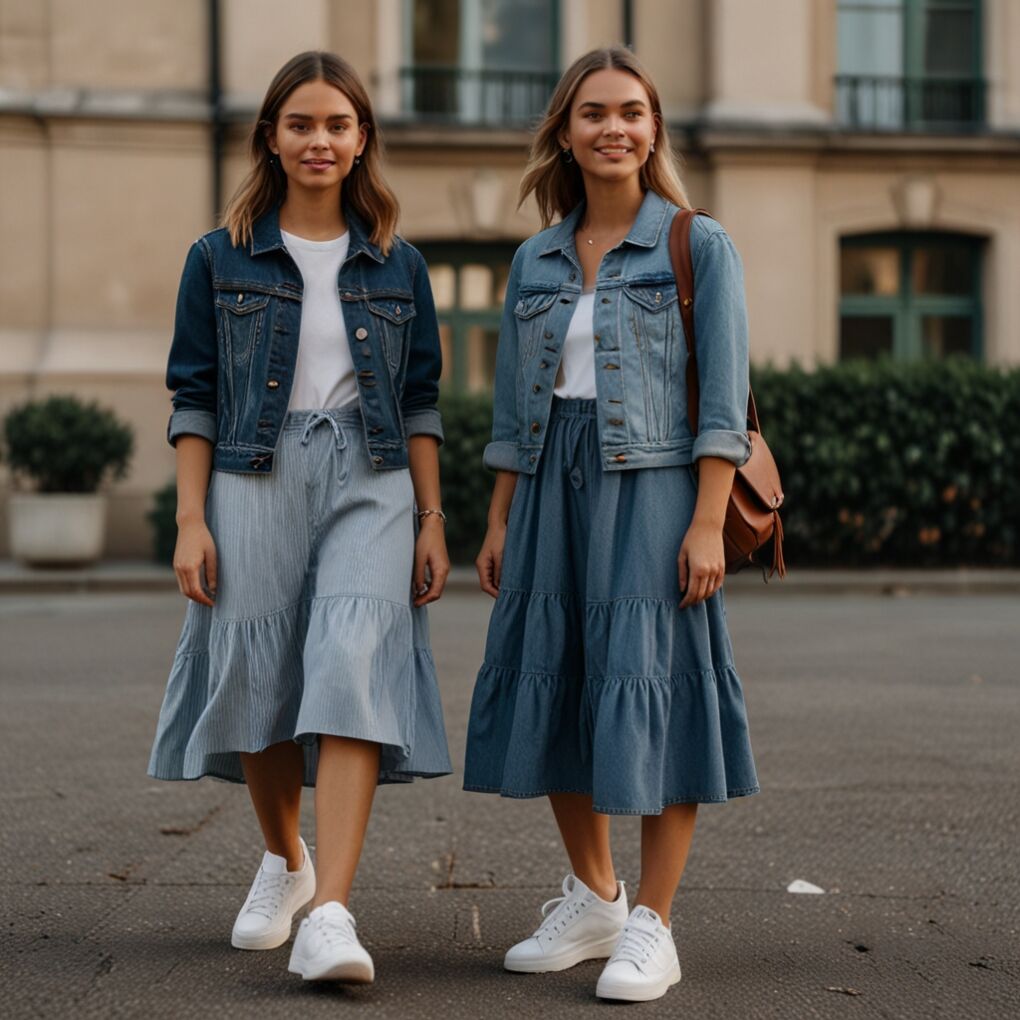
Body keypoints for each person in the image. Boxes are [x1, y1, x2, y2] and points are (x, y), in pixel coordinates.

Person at [148, 50, 452, 985]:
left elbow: (420, 401)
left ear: (363, 141)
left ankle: (332, 912)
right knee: (258, 668)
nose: (320, 141)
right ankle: (286, 861)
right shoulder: (218, 256)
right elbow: (193, 397)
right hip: (254, 470)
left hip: (372, 475)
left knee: (351, 661)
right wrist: (190, 518)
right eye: (301, 124)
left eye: (338, 125)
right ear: (271, 139)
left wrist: (433, 516)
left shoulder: (398, 264)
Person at [465, 46, 759, 1003]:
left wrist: (708, 521)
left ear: (654, 128)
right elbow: (516, 408)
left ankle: (654, 924)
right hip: (552, 484)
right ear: (564, 130)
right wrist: (500, 516)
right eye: (593, 112)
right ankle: (594, 895)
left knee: (656, 687)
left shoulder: (695, 243)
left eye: (632, 111)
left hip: (659, 485)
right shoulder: (535, 257)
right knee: (556, 679)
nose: (613, 128)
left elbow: (724, 400)